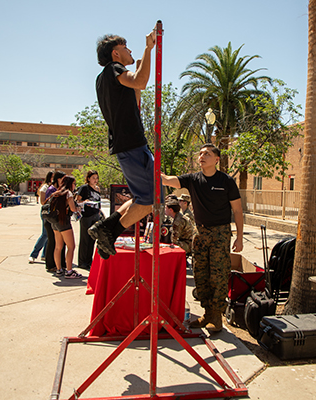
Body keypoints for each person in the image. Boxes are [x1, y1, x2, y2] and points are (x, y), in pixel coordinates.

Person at [87, 29, 157, 260]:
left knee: (142, 198)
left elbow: (136, 95)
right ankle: (107, 230)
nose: (130, 50)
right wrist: (149, 49)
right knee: (151, 201)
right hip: (132, 143)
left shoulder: (103, 78)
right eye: (126, 47)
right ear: (115, 53)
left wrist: (140, 66)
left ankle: (106, 229)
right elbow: (142, 82)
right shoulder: (114, 70)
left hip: (127, 143)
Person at [162, 144, 244, 333]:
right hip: (199, 233)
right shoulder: (192, 180)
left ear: (216, 159)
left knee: (218, 275)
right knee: (200, 274)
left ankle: (216, 317)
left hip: (220, 233)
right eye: (200, 153)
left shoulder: (226, 181)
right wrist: (151, 167)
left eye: (207, 154)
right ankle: (207, 314)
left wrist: (239, 238)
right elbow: (167, 180)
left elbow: (238, 210)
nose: (202, 156)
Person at [47, 175, 82, 279]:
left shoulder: (56, 193)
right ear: (70, 184)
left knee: (58, 247)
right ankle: (69, 271)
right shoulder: (68, 193)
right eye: (74, 183)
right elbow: (72, 208)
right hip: (64, 222)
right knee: (71, 246)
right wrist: (78, 208)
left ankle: (59, 269)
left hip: (55, 222)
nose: (75, 186)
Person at [75, 170, 103, 269]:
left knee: (92, 239)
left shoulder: (97, 189)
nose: (95, 180)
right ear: (88, 178)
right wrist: (85, 201)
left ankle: (89, 260)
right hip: (86, 215)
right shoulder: (84, 188)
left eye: (96, 178)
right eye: (93, 178)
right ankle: (82, 262)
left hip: (96, 215)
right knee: (85, 239)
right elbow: (77, 201)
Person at [44, 171, 67, 273]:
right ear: (58, 179)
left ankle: (60, 264)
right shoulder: (52, 190)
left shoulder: (57, 189)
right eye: (63, 179)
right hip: (51, 219)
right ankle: (50, 264)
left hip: (57, 219)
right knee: (52, 242)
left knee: (59, 243)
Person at [29, 171, 53, 263]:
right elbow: (42, 202)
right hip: (46, 212)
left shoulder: (55, 188)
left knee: (49, 234)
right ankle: (33, 254)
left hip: (53, 213)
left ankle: (44, 255)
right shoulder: (45, 187)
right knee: (45, 234)